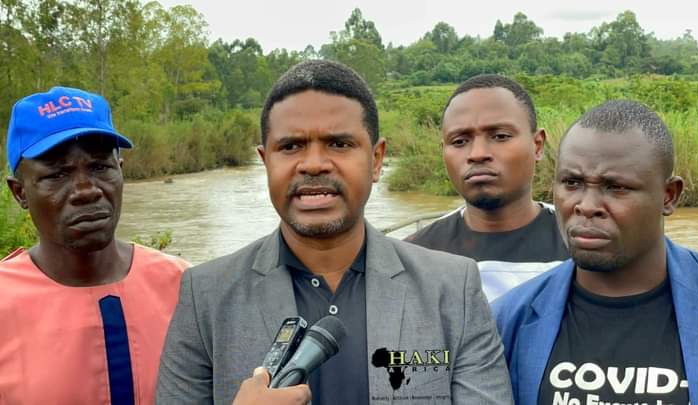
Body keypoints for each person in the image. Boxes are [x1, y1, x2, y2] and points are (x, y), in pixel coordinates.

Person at [156, 60, 512, 404]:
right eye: (291, 146)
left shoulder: (451, 290)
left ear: (376, 160)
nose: (313, 164)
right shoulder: (206, 297)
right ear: (265, 162)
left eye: (339, 144)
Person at [492, 100, 698, 404]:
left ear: (669, 196)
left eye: (616, 187)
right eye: (572, 183)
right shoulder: (508, 320)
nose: (586, 206)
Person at [0, 87, 190, 403]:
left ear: (121, 171)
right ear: (20, 192)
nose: (86, 190)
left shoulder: (184, 287)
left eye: (100, 167)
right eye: (58, 173)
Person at [406, 75, 568, 301]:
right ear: (443, 151)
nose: (477, 154)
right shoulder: (415, 257)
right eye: (460, 141)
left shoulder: (582, 246)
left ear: (537, 145)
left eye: (500, 136)